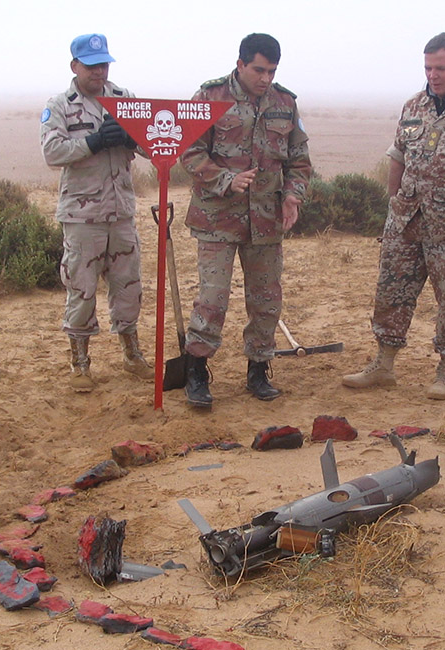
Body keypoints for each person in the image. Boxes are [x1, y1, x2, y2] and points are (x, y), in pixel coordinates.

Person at [343, 33, 445, 399]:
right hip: (406, 223)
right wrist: (394, 203)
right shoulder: (414, 106)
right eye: (427, 68)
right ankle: (383, 364)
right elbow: (398, 156)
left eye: (440, 68)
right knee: (392, 291)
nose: (433, 75)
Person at [180, 33, 311, 408]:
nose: (265, 78)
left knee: (266, 299)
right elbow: (188, 151)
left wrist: (292, 196)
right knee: (213, 298)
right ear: (240, 65)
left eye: (271, 71)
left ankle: (258, 369)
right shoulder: (210, 98)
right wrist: (225, 179)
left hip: (267, 221)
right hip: (217, 218)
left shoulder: (285, 102)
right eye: (258, 70)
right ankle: (197, 372)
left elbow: (299, 160)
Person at [40, 33, 151, 393]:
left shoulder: (125, 100)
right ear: (75, 66)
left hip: (121, 212)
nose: (99, 72)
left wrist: (130, 138)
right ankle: (80, 363)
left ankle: (132, 354)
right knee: (81, 288)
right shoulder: (60, 105)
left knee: (128, 286)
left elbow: (156, 145)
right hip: (82, 215)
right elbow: (52, 152)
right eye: (91, 66)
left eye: (103, 64)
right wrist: (93, 141)